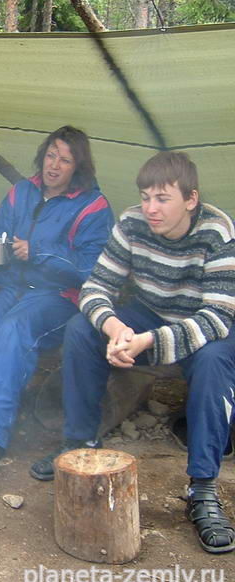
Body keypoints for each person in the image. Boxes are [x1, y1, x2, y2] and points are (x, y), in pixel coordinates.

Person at [30, 151, 235, 554]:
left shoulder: (217, 233)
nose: (151, 208)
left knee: (215, 362)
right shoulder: (131, 224)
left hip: (203, 324)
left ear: (190, 199)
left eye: (162, 199)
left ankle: (202, 488)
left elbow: (217, 318)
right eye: (145, 197)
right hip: (149, 313)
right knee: (81, 330)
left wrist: (148, 342)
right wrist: (115, 328)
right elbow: (95, 288)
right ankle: (80, 444)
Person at [0, 126, 114, 461]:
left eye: (65, 160)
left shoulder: (93, 206)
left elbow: (91, 269)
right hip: (15, 287)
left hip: (60, 297)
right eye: (50, 155)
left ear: (78, 167)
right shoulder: (21, 192)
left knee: (12, 329)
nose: (54, 166)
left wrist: (39, 252)